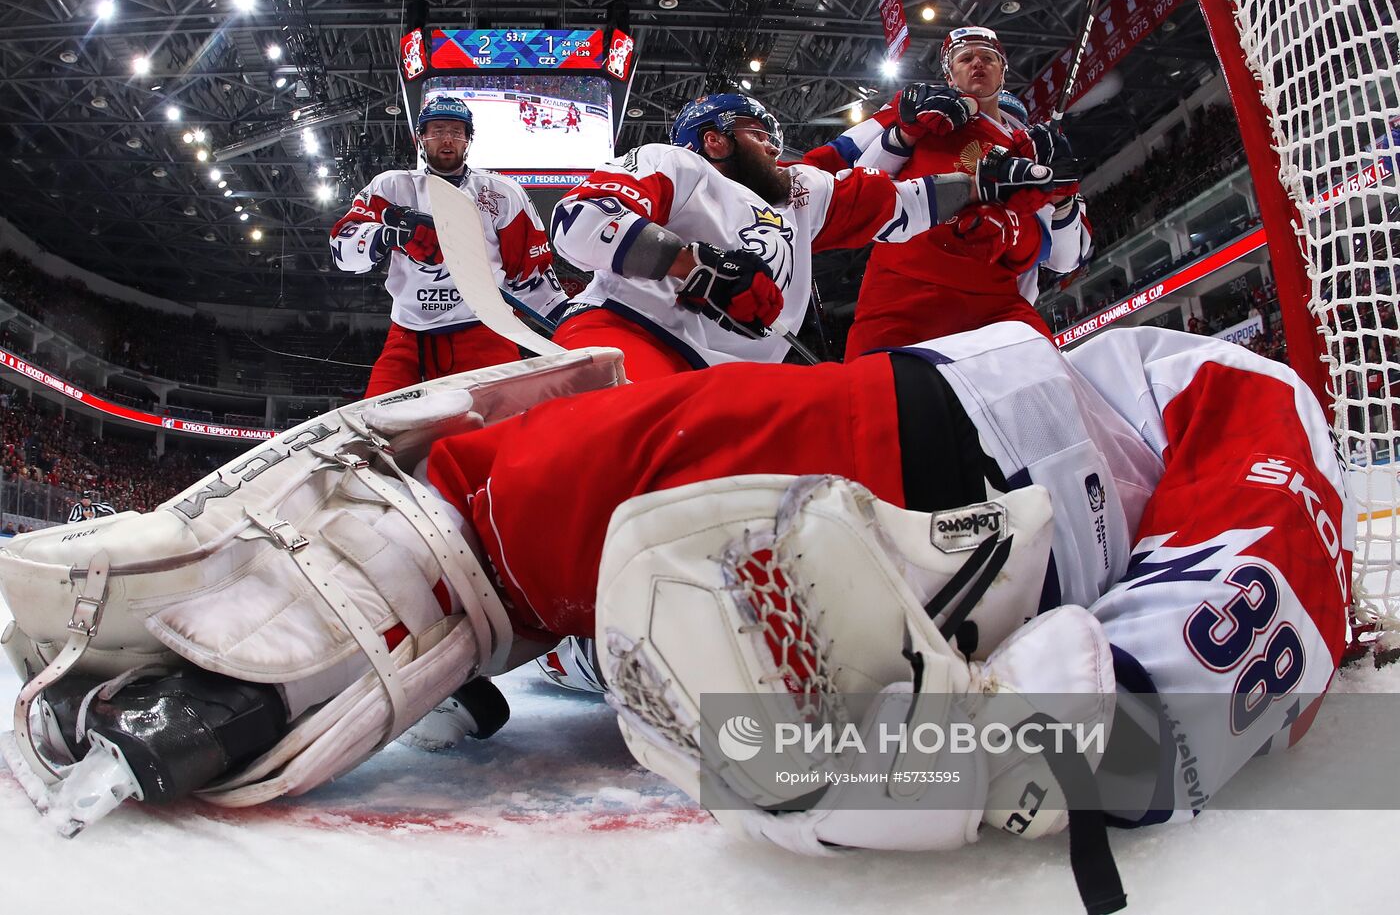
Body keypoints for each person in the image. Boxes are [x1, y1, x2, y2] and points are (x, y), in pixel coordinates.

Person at [3, 321, 1347, 912]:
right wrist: (1048, 738)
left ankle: (402, 571)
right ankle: (442, 578)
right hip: (963, 526)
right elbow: (1265, 595)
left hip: (976, 452)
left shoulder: (1194, 384)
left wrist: (1056, 738)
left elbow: (1270, 557)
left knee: (549, 480)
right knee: (611, 535)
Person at [547, 92, 1062, 382]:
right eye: (759, 133)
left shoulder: (802, 191)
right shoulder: (674, 163)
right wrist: (694, 265)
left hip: (737, 377)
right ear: (715, 139)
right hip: (632, 334)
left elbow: (900, 206)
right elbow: (579, 220)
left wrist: (979, 184)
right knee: (623, 429)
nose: (776, 145)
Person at [804, 27, 1093, 358]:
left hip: (993, 308)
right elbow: (862, 184)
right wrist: (905, 134)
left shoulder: (1035, 151)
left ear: (1003, 71)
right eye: (966, 58)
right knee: (878, 396)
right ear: (949, 73)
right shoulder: (929, 112)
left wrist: (1061, 197)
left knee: (1044, 394)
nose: (977, 64)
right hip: (904, 293)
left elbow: (1062, 258)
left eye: (987, 58)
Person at [330, 94, 568, 397]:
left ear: (468, 140)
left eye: (456, 132)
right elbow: (343, 248)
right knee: (379, 428)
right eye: (437, 130)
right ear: (421, 138)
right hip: (408, 335)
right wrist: (387, 236)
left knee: (494, 434)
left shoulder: (501, 194)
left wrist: (568, 321)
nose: (447, 139)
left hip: (484, 329)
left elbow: (531, 273)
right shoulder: (391, 187)